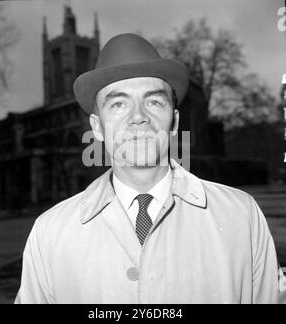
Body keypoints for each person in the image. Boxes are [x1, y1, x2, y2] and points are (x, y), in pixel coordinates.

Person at [15, 33, 286, 304]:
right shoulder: (49, 234)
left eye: (154, 101)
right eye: (118, 104)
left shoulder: (242, 217)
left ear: (175, 121)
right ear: (96, 127)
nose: (138, 117)